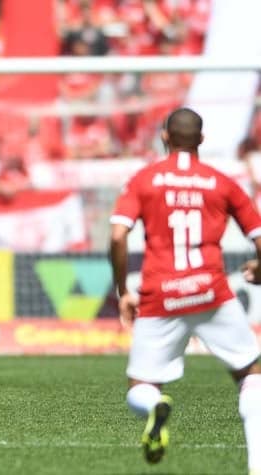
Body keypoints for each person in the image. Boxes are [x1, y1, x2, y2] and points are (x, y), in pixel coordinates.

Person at [110, 107, 261, 471]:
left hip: (161, 294)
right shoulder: (221, 182)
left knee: (141, 385)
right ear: (202, 140)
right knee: (251, 375)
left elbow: (117, 235)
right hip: (211, 291)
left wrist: (123, 291)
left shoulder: (145, 179)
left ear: (165, 136)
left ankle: (153, 406)